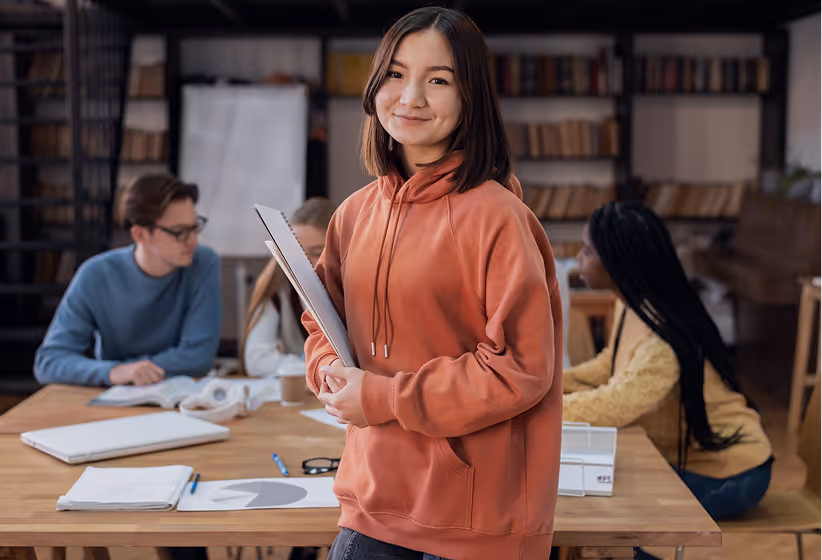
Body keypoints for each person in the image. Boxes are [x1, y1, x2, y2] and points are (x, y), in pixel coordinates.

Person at [303, 7, 563, 560]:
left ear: (471, 98)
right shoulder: (352, 215)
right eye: (395, 74)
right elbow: (322, 322)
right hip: (372, 496)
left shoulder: (497, 216)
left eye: (438, 80)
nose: (410, 97)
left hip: (474, 517)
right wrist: (327, 370)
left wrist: (381, 396)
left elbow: (521, 369)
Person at [564, 201, 772, 560]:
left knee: (605, 510)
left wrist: (537, 407)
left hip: (732, 472)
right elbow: (609, 366)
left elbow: (617, 404)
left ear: (617, 260)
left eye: (587, 250)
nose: (578, 259)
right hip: (691, 459)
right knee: (595, 498)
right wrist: (543, 384)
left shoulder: (661, 337)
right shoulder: (631, 304)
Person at [34, 174, 222, 387]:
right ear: (140, 234)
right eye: (179, 232)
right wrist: (114, 372)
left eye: (194, 227)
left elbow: (199, 357)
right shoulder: (95, 275)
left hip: (180, 397)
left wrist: (135, 369)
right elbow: (49, 362)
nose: (193, 240)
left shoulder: (204, 264)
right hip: (115, 399)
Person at [241, 198, 337, 377]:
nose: (305, 263)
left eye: (317, 253)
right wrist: (314, 368)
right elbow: (256, 360)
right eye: (297, 252)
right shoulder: (279, 292)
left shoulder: (355, 293)